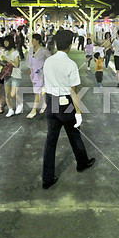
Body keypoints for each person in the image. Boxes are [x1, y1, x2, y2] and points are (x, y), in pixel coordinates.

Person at [42, 30, 96, 189]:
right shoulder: (71, 64)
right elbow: (73, 90)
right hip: (65, 104)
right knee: (74, 133)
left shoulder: (48, 61)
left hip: (51, 101)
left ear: (57, 43)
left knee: (50, 140)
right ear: (71, 44)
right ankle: (82, 163)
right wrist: (78, 112)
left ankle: (47, 178)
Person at [26, 34, 50, 118]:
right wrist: (29, 68)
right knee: (41, 90)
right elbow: (29, 61)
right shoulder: (31, 50)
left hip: (41, 73)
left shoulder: (44, 50)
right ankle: (44, 104)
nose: (32, 41)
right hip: (33, 74)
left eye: (33, 40)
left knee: (37, 92)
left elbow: (49, 60)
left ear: (38, 41)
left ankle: (33, 110)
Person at [1, 35, 23, 117]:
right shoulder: (5, 52)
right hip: (7, 74)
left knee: (13, 94)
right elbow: (4, 64)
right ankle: (10, 109)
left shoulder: (16, 52)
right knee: (7, 94)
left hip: (15, 75)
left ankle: (20, 104)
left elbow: (16, 64)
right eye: (4, 41)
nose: (5, 43)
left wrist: (7, 59)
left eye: (7, 41)